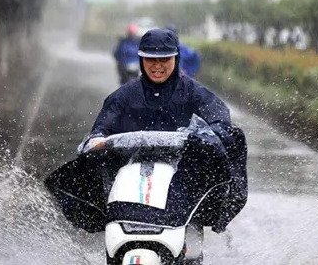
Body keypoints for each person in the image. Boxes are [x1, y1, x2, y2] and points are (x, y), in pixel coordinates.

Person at [79, 28, 248, 234]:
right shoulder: (122, 96)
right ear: (141, 59)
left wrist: (212, 133)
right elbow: (101, 128)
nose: (157, 66)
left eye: (164, 59)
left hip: (182, 173)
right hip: (132, 172)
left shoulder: (194, 92)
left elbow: (219, 117)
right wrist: (97, 139)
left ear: (176, 59)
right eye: (151, 59)